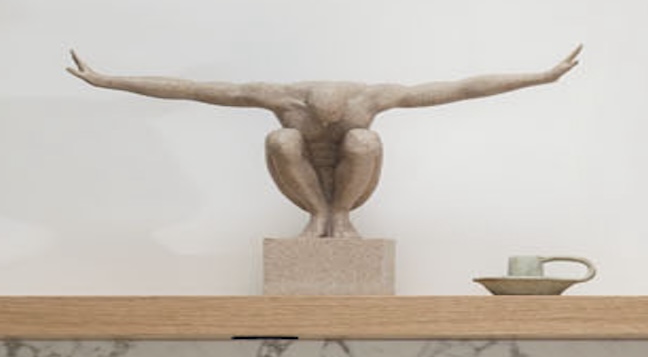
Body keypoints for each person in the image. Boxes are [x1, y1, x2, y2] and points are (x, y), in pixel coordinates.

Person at [67, 46, 582, 239]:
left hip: (356, 180)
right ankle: (319, 215)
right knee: (279, 139)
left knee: (362, 142)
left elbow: (458, 88)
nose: (329, 121)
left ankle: (341, 215)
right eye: (322, 115)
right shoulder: (283, 100)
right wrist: (109, 81)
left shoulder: (370, 100)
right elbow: (197, 91)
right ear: (309, 104)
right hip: (303, 178)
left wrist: (539, 76)